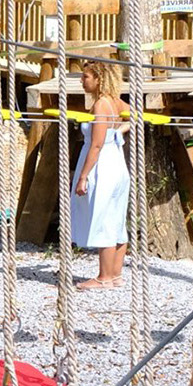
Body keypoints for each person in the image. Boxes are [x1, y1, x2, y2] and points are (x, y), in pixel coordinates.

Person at [71, 63, 132, 290]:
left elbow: (96, 145)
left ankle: (104, 277)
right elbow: (137, 115)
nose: (82, 81)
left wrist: (83, 176)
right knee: (116, 218)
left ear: (99, 79)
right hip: (116, 162)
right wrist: (117, 132)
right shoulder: (116, 102)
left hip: (102, 165)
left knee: (104, 216)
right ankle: (115, 274)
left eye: (85, 77)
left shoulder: (100, 105)